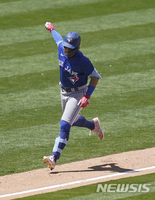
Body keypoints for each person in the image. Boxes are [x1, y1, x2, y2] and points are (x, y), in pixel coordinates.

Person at [43, 22, 104, 170]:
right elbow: (57, 39)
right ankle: (93, 125)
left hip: (78, 93)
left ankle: (54, 157)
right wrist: (51, 29)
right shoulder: (61, 47)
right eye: (65, 47)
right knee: (73, 120)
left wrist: (87, 96)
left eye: (70, 48)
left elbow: (95, 77)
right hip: (64, 91)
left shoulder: (83, 61)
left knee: (65, 124)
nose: (66, 50)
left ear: (78, 48)